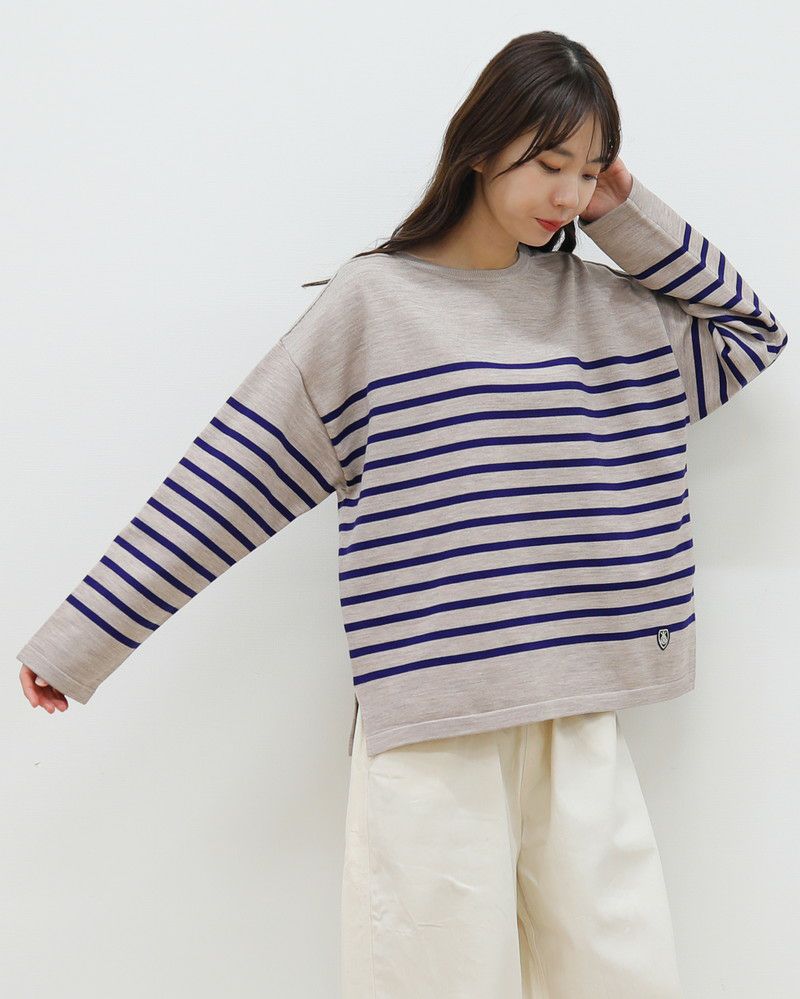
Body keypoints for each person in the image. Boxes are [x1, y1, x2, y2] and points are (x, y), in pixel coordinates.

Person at [17, 29, 788, 999]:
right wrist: (81, 642)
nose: (567, 194)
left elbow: (749, 331)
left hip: (577, 711)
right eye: (550, 162)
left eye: (588, 170)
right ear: (482, 146)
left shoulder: (611, 314)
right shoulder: (374, 305)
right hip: (435, 728)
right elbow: (228, 479)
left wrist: (623, 209)